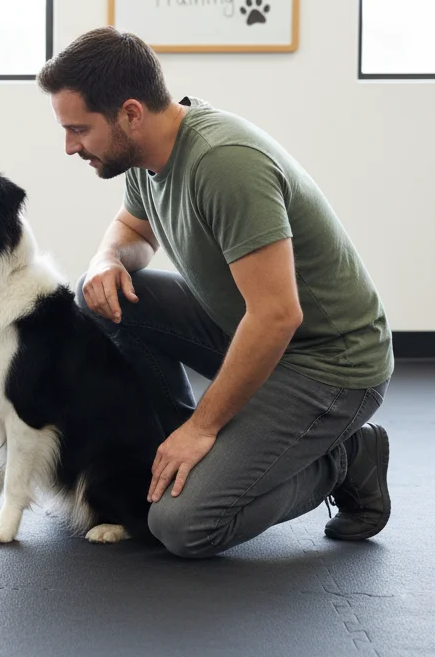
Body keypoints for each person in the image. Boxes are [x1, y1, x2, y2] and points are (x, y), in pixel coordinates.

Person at [37, 27, 394, 558]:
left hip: (329, 367)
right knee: (99, 298)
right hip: (249, 331)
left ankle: (344, 458)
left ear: (130, 113)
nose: (70, 147)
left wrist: (205, 427)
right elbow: (133, 231)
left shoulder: (223, 163)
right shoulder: (146, 154)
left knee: (182, 525)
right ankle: (188, 448)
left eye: (78, 130)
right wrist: (106, 259)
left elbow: (277, 316)